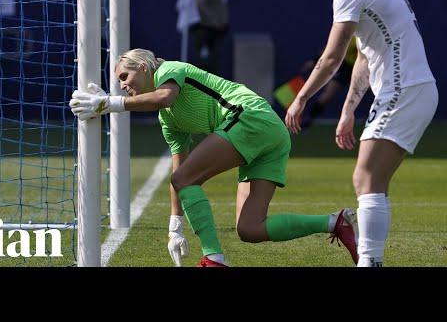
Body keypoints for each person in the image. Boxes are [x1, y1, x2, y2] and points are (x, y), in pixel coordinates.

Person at [69, 48, 358, 267]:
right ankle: (335, 222)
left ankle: (214, 259)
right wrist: (174, 226)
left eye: (125, 76)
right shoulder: (168, 120)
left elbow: (164, 97)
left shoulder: (169, 69)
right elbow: (178, 166)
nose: (122, 84)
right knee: (249, 228)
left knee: (185, 179)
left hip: (250, 118)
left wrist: (109, 104)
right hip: (271, 134)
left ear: (143, 67)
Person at [285, 0, 438, 267]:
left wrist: (301, 98)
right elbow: (364, 57)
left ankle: (369, 262)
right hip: (413, 89)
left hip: (405, 89)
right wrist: (347, 110)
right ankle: (371, 261)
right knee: (372, 180)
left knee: (365, 177)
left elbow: (332, 57)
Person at [298, 37, 358, 130]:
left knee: (377, 91)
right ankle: (308, 120)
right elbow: (330, 48)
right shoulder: (349, 32)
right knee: (327, 95)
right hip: (345, 67)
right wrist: (314, 61)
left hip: (363, 68)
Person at [190, 0, 229, 76]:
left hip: (213, 31)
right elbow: (200, 4)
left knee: (212, 66)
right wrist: (214, 22)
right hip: (206, 30)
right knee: (205, 66)